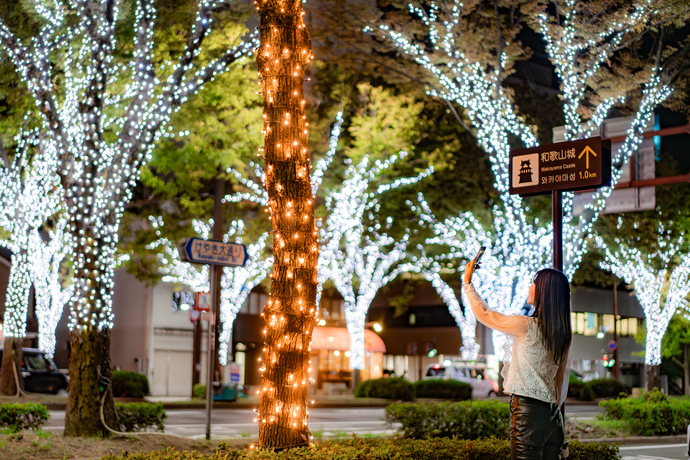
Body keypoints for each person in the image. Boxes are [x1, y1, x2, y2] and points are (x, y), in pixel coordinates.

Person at [464, 261, 573, 460]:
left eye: (533, 283)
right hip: (553, 416)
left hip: (528, 414)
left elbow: (485, 315)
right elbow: (560, 381)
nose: (529, 287)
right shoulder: (562, 334)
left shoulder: (526, 326)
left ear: (544, 291)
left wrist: (468, 283)